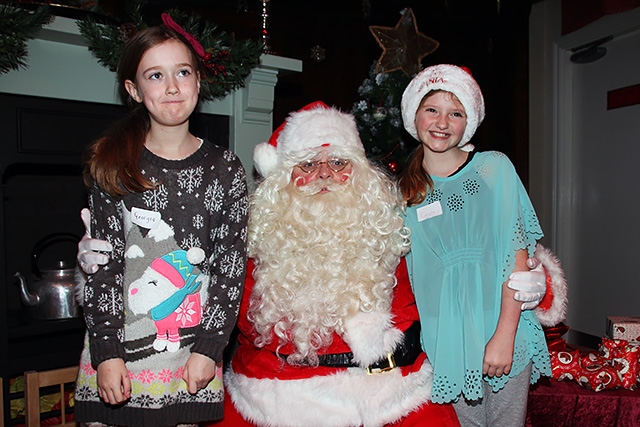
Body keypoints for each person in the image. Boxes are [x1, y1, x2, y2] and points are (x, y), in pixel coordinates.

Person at [73, 14, 248, 427]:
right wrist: (106, 352)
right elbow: (105, 268)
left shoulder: (225, 169)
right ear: (134, 90)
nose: (171, 87)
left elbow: (230, 269)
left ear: (198, 82)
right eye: (155, 75)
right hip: (118, 352)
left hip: (190, 358)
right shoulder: (114, 164)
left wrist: (210, 348)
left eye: (182, 72)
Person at [398, 64, 565, 426]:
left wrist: (504, 335)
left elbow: (515, 256)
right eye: (432, 110)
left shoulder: (493, 169)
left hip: (500, 328)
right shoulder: (403, 194)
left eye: (455, 113)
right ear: (414, 115)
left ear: (468, 121)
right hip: (445, 343)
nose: (442, 122)